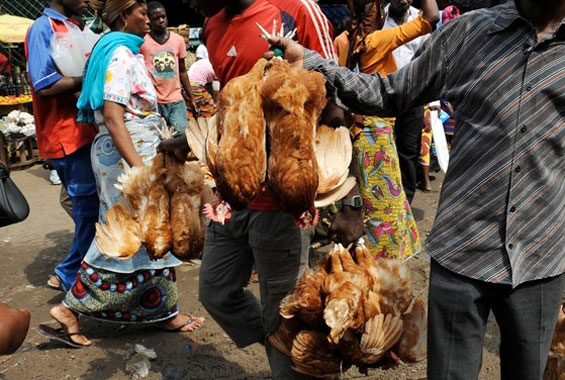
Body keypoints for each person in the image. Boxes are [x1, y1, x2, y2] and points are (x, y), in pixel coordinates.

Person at [267, 0, 565, 378]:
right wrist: (312, 62)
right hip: (463, 253)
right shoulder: (468, 33)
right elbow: (389, 93)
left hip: (541, 258)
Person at [159, 0, 363, 378]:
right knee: (217, 292)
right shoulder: (213, 26)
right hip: (232, 196)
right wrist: (191, 142)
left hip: (283, 206)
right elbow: (234, 109)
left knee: (284, 310)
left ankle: (293, 361)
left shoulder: (296, 11)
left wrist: (352, 201)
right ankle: (295, 353)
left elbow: (341, 105)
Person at [37, 0, 204, 348]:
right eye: (141, 12)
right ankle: (69, 308)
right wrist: (139, 169)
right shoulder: (119, 56)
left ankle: (161, 310)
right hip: (126, 154)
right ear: (123, 15)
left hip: (133, 149)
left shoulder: (123, 51)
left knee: (150, 232)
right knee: (122, 234)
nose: (148, 19)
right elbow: (114, 118)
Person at [336, 0, 438, 259]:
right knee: (383, 210)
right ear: (378, 15)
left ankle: (363, 259)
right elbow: (431, 18)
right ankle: (382, 269)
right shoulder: (376, 41)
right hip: (376, 136)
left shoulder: (344, 42)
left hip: (356, 136)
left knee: (370, 206)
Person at [25, 0, 99, 292]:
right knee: (87, 210)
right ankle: (68, 275)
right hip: (65, 135)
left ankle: (69, 272)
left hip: (83, 131)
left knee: (89, 210)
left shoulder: (73, 26)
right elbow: (43, 85)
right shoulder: (42, 28)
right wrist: (90, 75)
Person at [384, 0, 432, 204]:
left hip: (413, 96)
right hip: (383, 94)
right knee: (385, 150)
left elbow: (430, 61)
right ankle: (386, 201)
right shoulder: (378, 19)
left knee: (408, 151)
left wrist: (430, 104)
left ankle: (406, 203)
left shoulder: (421, 21)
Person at [141, 1, 198, 133]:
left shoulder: (178, 40)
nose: (161, 20)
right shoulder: (143, 42)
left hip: (176, 99)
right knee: (159, 138)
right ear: (149, 20)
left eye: (163, 16)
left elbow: (182, 71)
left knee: (181, 133)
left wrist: (192, 98)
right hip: (154, 101)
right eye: (156, 18)